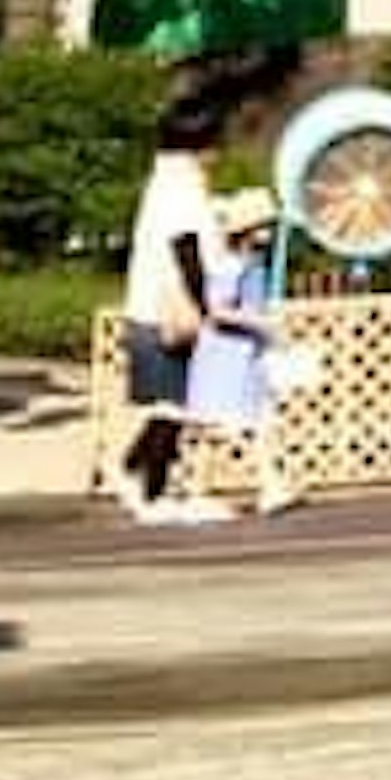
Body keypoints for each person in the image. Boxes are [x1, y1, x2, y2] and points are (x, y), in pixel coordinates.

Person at [114, 90, 238, 528]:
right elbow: (186, 247)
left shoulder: (163, 181)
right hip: (165, 310)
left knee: (170, 405)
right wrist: (206, 304)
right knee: (173, 407)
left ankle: (141, 478)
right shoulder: (181, 186)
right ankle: (148, 487)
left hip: (147, 306)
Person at [181, 174, 312, 520]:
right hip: (226, 357)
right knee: (223, 426)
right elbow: (219, 310)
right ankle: (207, 490)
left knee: (254, 422)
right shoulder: (231, 265)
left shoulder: (253, 265)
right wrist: (263, 324)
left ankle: (266, 485)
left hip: (244, 355)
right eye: (262, 226)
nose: (268, 232)